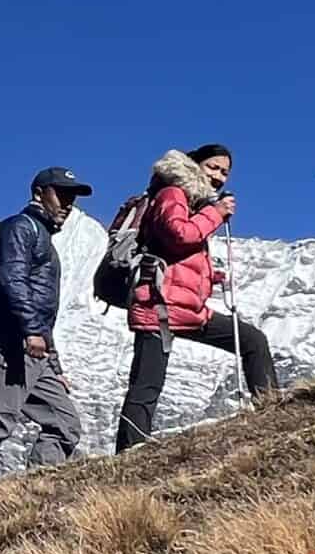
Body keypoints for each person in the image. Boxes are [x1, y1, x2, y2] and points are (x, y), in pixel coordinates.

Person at [114, 145, 280, 452]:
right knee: (146, 384)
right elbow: (179, 235)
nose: (218, 177)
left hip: (183, 306)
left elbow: (176, 254)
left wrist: (209, 277)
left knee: (252, 340)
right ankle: (128, 453)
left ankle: (273, 413)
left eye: (224, 172)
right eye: (213, 167)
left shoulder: (189, 201)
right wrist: (215, 214)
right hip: (158, 305)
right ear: (193, 165)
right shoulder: (172, 194)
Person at [0, 167, 91, 491]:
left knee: (64, 423)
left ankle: (36, 488)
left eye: (72, 197)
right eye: (61, 194)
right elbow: (12, 280)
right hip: (6, 342)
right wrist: (29, 331)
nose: (67, 203)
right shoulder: (19, 228)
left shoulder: (43, 239)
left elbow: (40, 309)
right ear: (40, 193)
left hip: (33, 349)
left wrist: (54, 364)